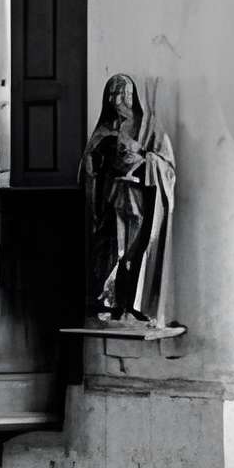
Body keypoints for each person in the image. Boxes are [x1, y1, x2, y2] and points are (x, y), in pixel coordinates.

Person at [85, 72, 175, 322]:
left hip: (137, 198)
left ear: (132, 96)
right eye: (112, 94)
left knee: (134, 252)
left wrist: (143, 158)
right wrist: (96, 162)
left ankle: (132, 305)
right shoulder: (103, 129)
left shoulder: (149, 128)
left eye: (123, 94)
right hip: (112, 199)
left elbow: (167, 166)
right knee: (112, 250)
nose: (117, 100)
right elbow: (90, 168)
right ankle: (108, 301)